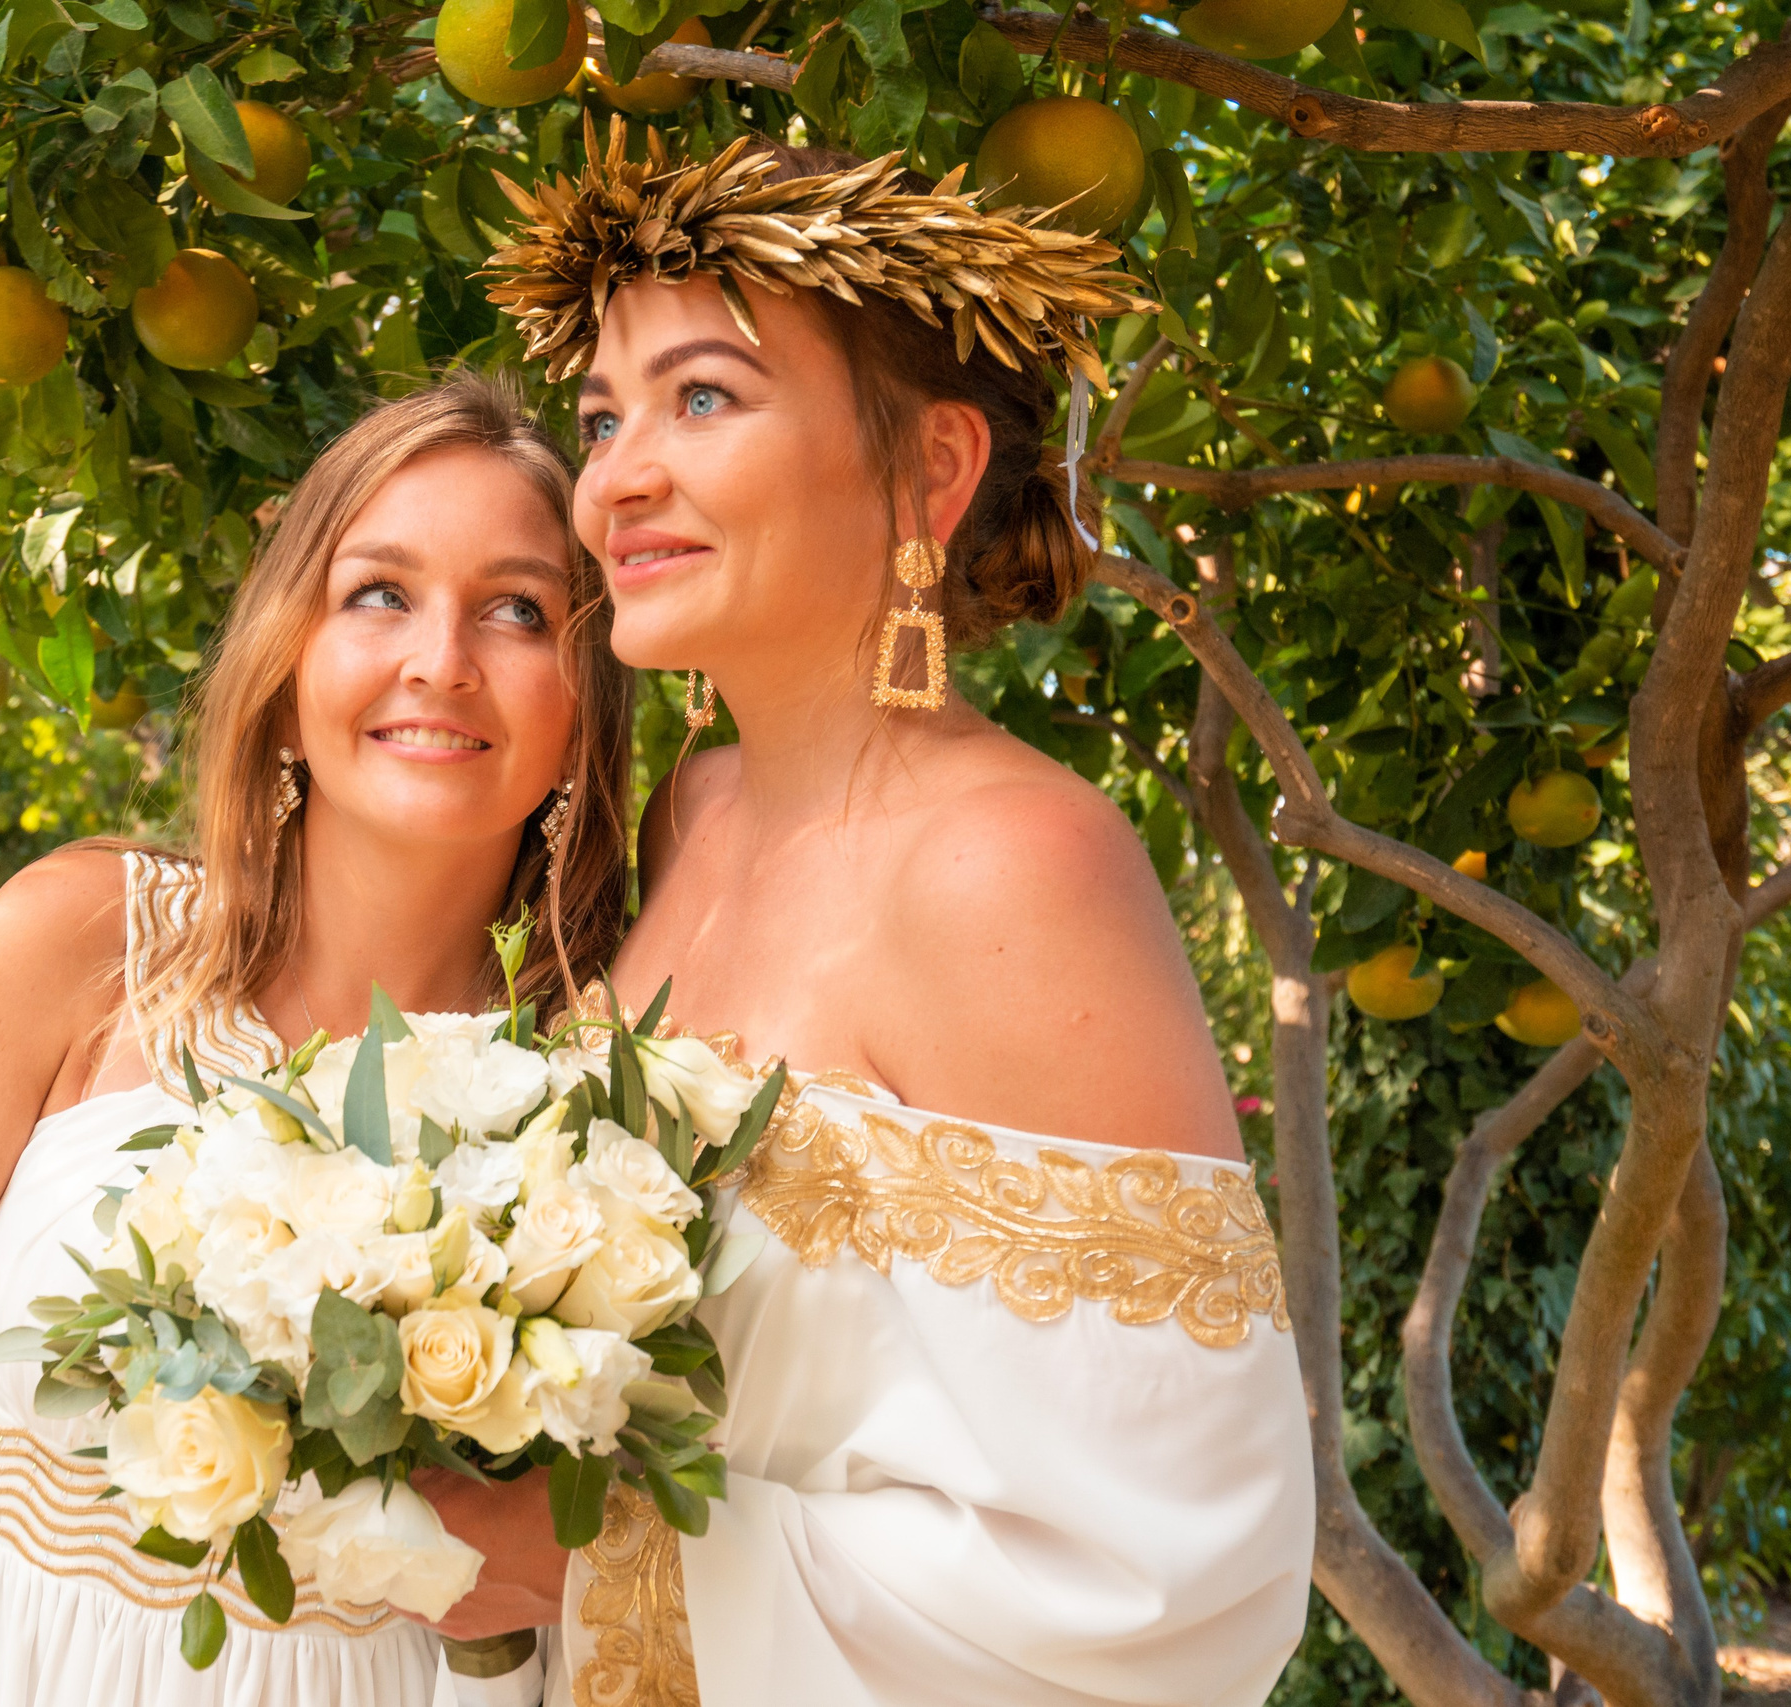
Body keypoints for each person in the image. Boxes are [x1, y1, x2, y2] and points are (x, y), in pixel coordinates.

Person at [425, 126, 1318, 1706]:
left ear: (932, 469)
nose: (615, 478)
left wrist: (588, 1559)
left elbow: (1173, 1578)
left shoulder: (1013, 866)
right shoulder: (687, 809)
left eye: (704, 398)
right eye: (603, 416)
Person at [0, 372, 633, 1707]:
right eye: (379, 593)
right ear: (288, 662)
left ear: (587, 698)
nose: (441, 660)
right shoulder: (79, 945)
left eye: (519, 609)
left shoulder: (598, 1108)